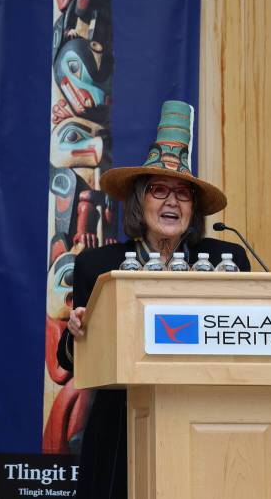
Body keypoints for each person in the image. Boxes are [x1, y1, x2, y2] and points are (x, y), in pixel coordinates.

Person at [55, 100, 250, 499]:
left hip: (205, 415)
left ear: (194, 208)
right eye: (159, 190)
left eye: (183, 193)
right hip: (120, 424)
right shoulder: (98, 265)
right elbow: (69, 360)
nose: (171, 202)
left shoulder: (225, 260)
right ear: (139, 201)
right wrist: (77, 332)